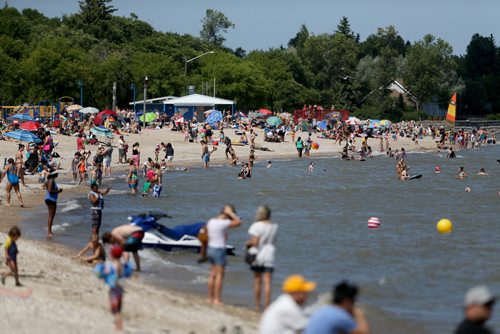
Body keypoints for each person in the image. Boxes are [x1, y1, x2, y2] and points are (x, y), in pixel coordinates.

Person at [206, 204, 241, 305]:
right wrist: (231, 213)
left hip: (210, 249)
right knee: (219, 275)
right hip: (219, 250)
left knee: (212, 274)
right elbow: (238, 222)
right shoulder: (223, 223)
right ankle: (217, 299)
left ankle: (209, 298)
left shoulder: (211, 221)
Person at [305, 281, 371, 334]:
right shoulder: (340, 316)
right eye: (353, 301)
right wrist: (359, 314)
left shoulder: (324, 310)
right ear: (347, 301)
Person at [245, 206, 278, 312]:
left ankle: (257, 305)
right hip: (269, 255)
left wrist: (247, 244)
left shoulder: (256, 225)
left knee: (257, 280)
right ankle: (267, 306)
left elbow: (255, 242)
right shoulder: (274, 226)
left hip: (258, 255)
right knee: (268, 282)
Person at [94, 245, 133, 331]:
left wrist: (102, 275)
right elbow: (128, 272)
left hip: (114, 290)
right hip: (121, 290)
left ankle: (118, 327)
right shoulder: (122, 265)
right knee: (118, 309)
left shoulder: (110, 265)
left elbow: (101, 272)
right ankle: (119, 326)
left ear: (112, 255)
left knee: (115, 310)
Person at [44, 171, 62, 237]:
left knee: (51, 216)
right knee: (51, 216)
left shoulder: (48, 180)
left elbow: (44, 186)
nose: (57, 174)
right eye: (56, 173)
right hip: (51, 199)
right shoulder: (51, 180)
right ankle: (49, 232)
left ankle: (50, 231)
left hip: (49, 199)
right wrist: (58, 191)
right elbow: (49, 190)